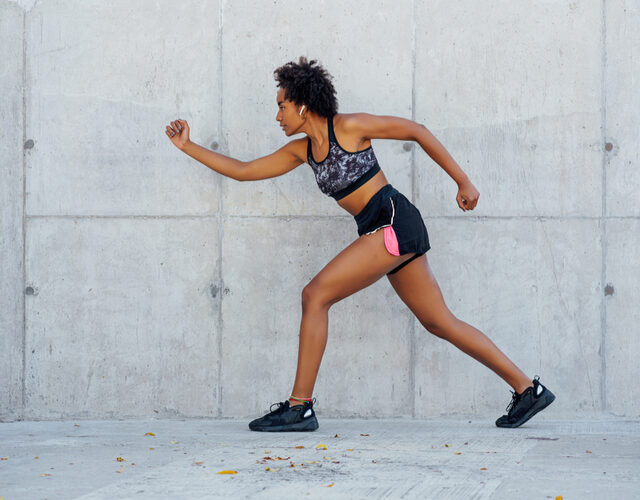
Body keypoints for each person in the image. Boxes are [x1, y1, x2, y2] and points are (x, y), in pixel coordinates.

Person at [165, 56, 555, 431]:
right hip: (379, 228)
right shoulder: (303, 151)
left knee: (315, 295)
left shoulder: (349, 127)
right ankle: (528, 390)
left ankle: (299, 407)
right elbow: (244, 171)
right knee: (439, 321)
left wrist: (463, 181)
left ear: (302, 105)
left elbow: (416, 131)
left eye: (282, 106)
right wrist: (187, 146)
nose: (278, 116)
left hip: (393, 220)